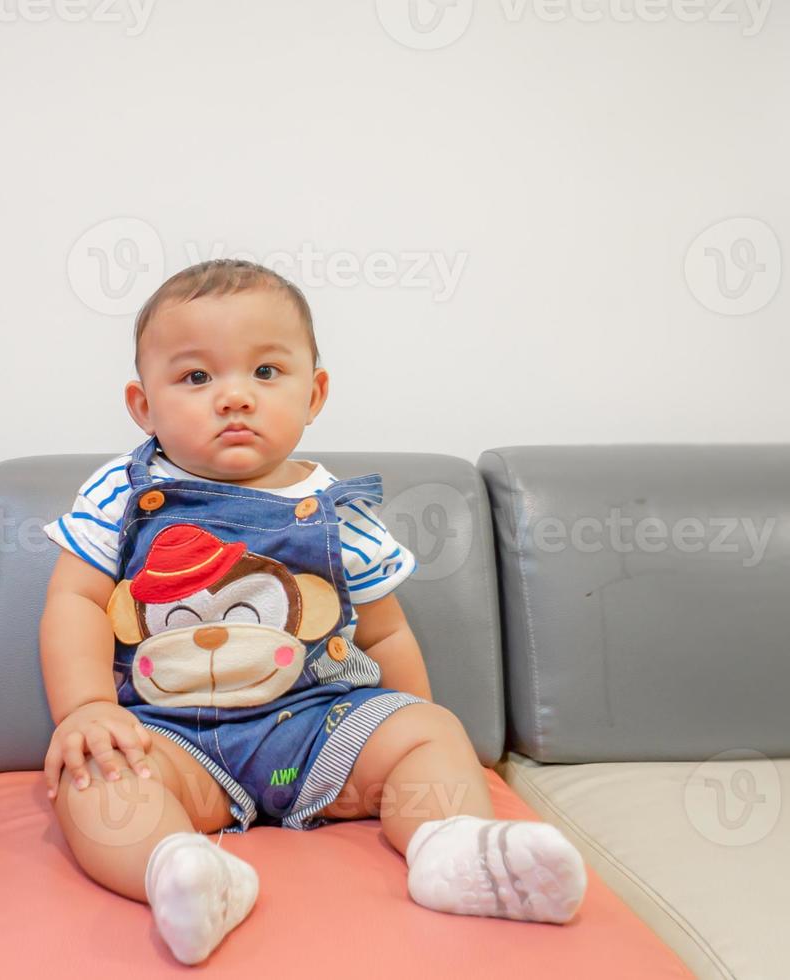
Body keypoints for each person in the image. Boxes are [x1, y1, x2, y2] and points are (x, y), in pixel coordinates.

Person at [38, 259, 586, 965]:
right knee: (96, 782)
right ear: (142, 406)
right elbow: (75, 598)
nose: (233, 397)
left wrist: (412, 736)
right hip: (174, 741)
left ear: (313, 393)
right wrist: (84, 706)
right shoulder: (122, 488)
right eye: (196, 377)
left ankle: (452, 848)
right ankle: (178, 870)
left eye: (265, 373)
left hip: (322, 734)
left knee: (427, 730)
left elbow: (385, 631)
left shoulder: (341, 513)